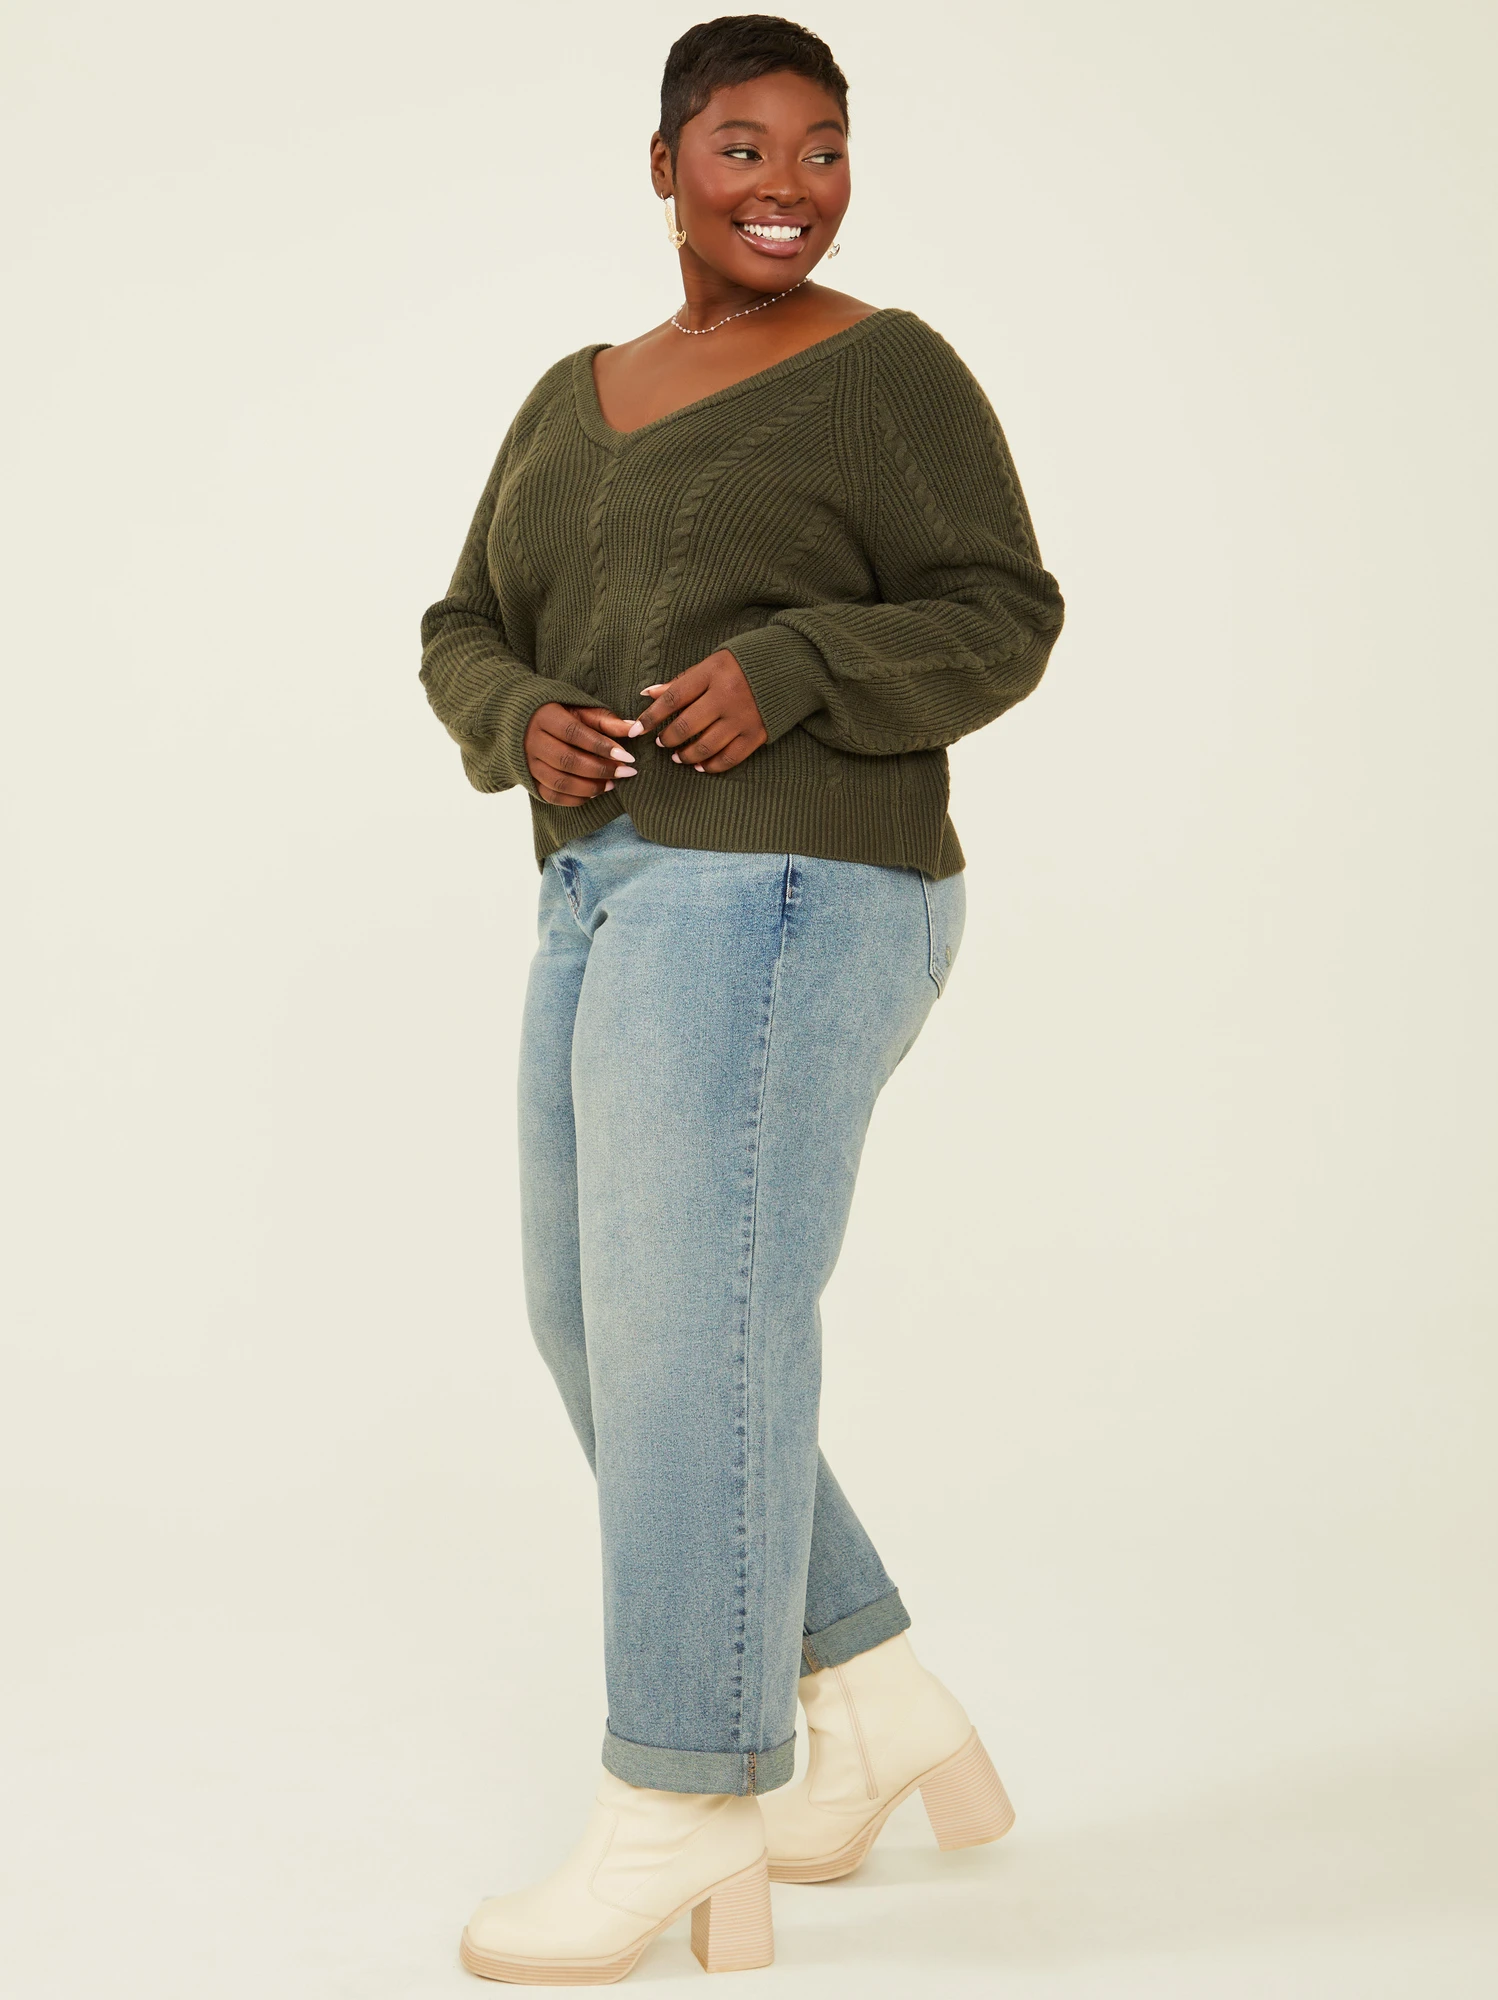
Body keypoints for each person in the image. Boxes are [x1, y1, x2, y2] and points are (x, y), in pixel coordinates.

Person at [418, 14, 1065, 1983]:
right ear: (662, 166)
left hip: (791, 884)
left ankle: (682, 1801)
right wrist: (518, 719)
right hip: (604, 893)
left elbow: (1001, 610)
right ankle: (864, 1697)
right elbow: (463, 624)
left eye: (820, 149)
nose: (786, 186)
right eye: (741, 147)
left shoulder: (884, 372)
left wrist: (793, 665)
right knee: (601, 1323)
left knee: (686, 1333)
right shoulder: (571, 398)